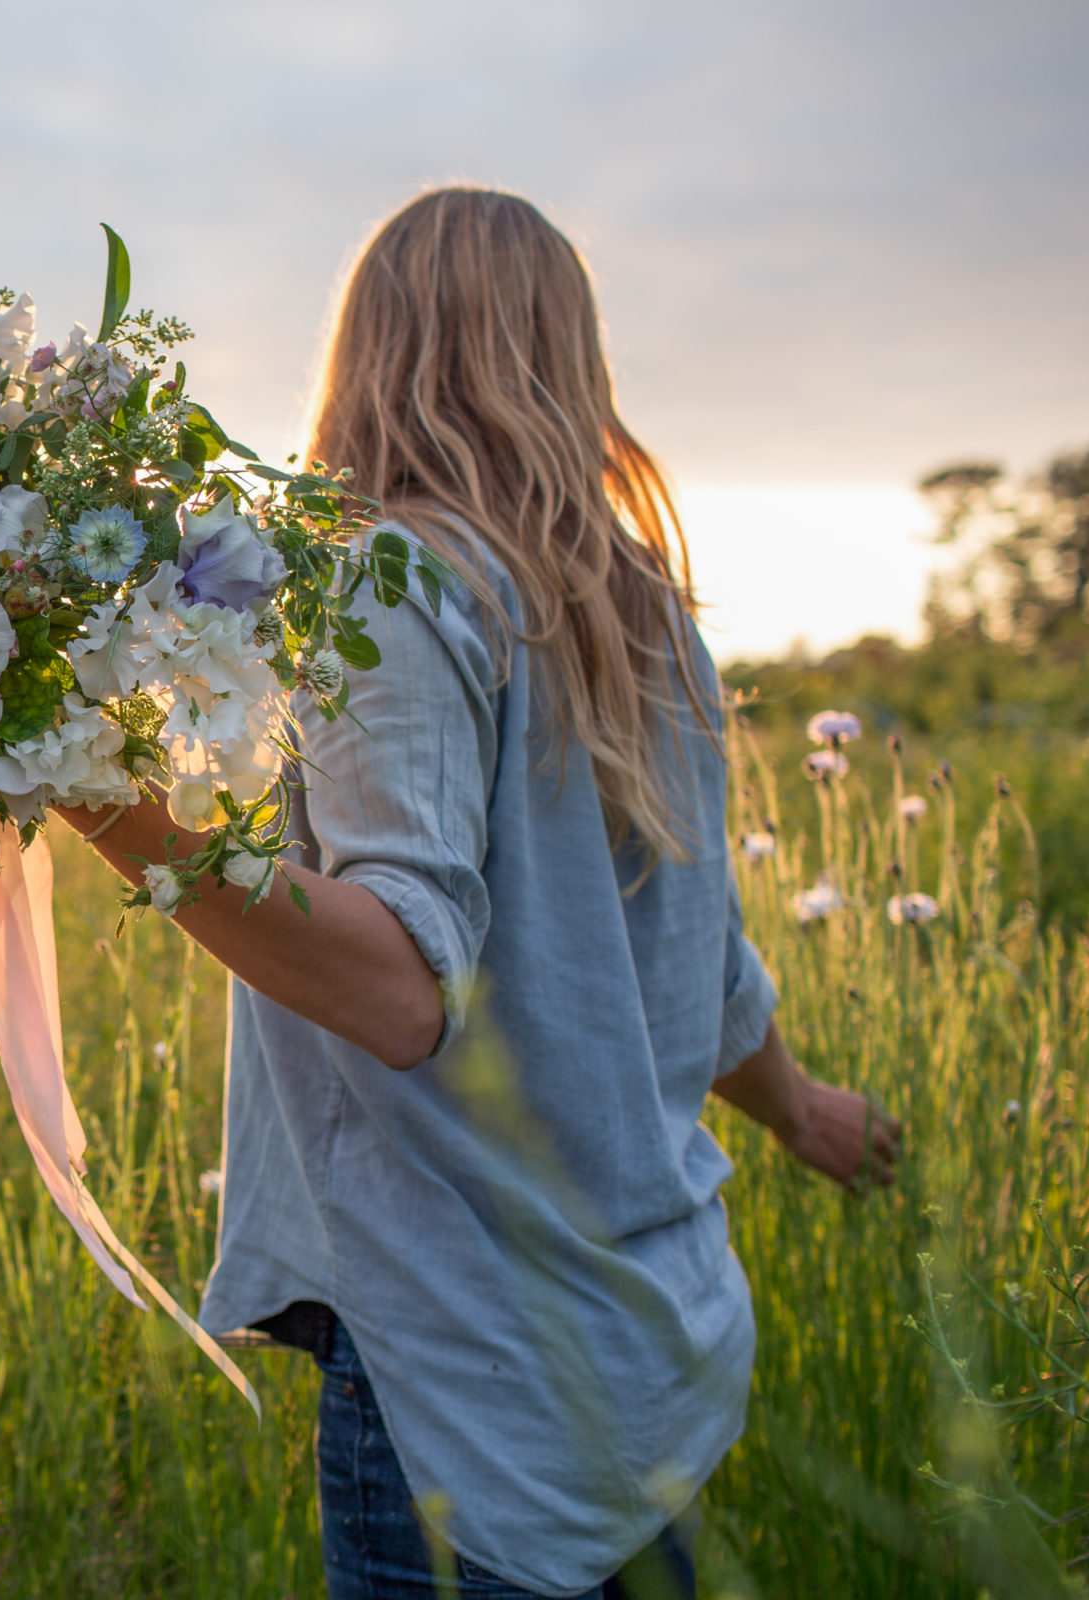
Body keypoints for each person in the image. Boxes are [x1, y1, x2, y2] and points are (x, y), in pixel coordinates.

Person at [55, 188, 902, 1599]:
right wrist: (802, 1111)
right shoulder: (645, 617)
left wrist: (90, 793)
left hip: (476, 1383)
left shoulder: (385, 584)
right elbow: (702, 964)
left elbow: (397, 985)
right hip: (649, 1357)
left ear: (370, 351)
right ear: (569, 360)